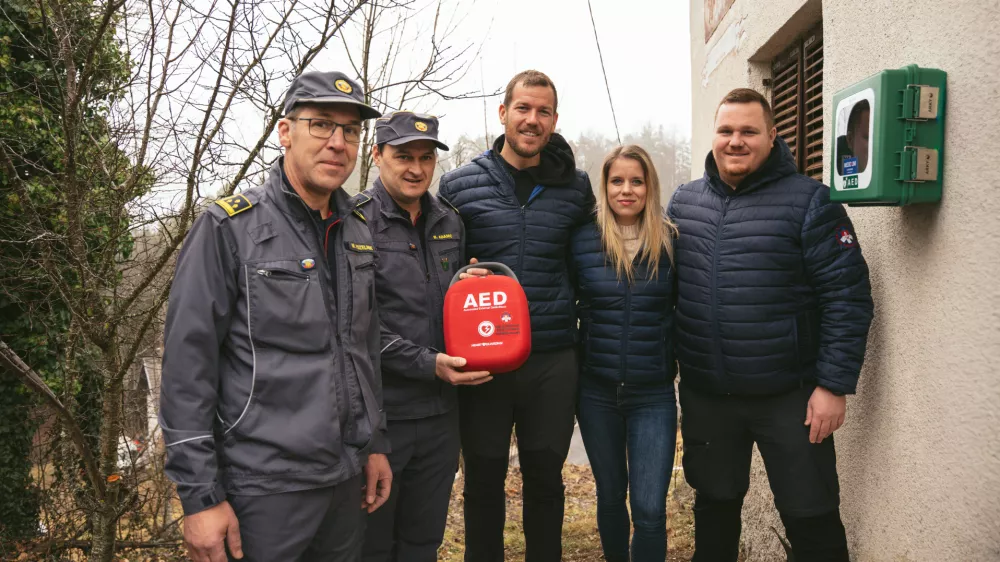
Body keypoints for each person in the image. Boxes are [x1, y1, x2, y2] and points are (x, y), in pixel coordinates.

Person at [159, 71, 392, 562]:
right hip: (263, 489)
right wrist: (200, 497)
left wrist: (373, 442)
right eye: (321, 125)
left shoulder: (358, 229)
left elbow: (362, 347)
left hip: (345, 482)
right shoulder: (228, 228)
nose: (337, 143)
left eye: (350, 131)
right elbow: (186, 368)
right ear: (285, 132)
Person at [668, 88, 874, 562]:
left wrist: (833, 385)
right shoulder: (684, 204)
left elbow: (848, 297)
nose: (735, 141)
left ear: (772, 135)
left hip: (792, 397)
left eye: (748, 131)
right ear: (713, 135)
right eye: (726, 131)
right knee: (715, 511)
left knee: (811, 515)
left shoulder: (810, 202)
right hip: (708, 395)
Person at [437, 69, 596, 562]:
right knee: (483, 478)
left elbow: (590, 264)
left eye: (543, 111)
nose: (532, 120)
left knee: (545, 478)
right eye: (523, 109)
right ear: (503, 113)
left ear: (554, 120)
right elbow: (436, 266)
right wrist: (455, 281)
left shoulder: (577, 188)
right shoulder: (459, 185)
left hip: (551, 357)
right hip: (482, 358)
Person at [359, 111, 491, 562]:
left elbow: (454, 305)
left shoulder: (449, 221)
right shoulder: (355, 223)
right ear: (377, 155)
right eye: (402, 156)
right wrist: (426, 363)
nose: (416, 168)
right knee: (373, 545)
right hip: (382, 419)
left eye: (425, 157)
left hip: (440, 418)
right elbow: (354, 328)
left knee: (422, 543)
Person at [571, 145, 679, 562]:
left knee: (650, 510)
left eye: (637, 180)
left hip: (653, 395)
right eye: (617, 180)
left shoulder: (671, 240)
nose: (627, 190)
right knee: (611, 496)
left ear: (649, 186)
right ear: (605, 185)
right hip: (596, 392)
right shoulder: (583, 240)